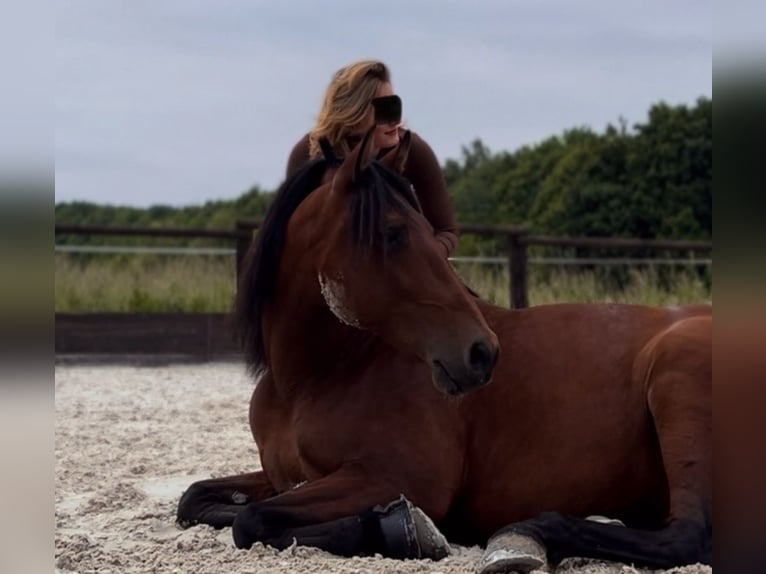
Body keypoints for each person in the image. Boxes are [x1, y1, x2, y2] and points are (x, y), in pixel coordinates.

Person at [285, 59, 458, 256]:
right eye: (384, 110)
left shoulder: (412, 150)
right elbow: (290, 236)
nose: (395, 120)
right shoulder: (307, 155)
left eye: (395, 106)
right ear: (353, 112)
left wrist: (425, 258)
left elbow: (446, 230)